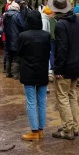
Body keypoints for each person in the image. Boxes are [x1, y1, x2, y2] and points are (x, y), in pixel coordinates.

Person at [49, 0, 79, 140]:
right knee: (72, 95)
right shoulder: (77, 20)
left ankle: (67, 129)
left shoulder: (60, 25)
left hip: (66, 66)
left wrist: (58, 69)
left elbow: (61, 49)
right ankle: (73, 126)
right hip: (77, 63)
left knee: (62, 97)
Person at [18, 11, 51, 141]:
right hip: (42, 71)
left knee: (31, 102)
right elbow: (48, 51)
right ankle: (41, 130)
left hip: (28, 72)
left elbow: (19, 52)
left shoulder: (23, 36)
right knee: (42, 102)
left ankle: (34, 131)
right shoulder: (46, 35)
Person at [4, 2, 26, 79]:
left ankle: (8, 73)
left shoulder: (5, 15)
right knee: (17, 57)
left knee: (9, 56)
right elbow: (23, 26)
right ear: (17, 8)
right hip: (16, 38)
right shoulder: (17, 15)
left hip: (8, 38)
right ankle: (16, 75)